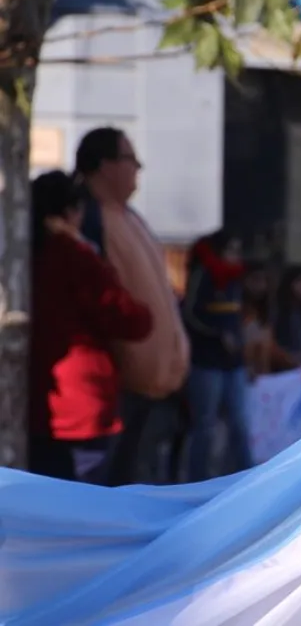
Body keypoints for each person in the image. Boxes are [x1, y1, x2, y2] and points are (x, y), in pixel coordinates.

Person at [74, 127, 190, 485]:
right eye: (130, 160)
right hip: (113, 393)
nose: (138, 169)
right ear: (105, 165)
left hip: (149, 391)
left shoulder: (130, 216)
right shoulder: (87, 218)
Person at [28, 170, 152, 484]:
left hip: (37, 400)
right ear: (71, 212)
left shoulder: (27, 255)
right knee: (84, 508)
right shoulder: (76, 256)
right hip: (80, 402)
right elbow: (127, 317)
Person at [181, 230, 253, 481]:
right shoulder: (204, 275)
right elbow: (190, 314)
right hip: (207, 361)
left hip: (233, 362)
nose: (236, 256)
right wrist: (218, 334)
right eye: (231, 250)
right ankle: (197, 479)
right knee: (205, 425)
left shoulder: (235, 279)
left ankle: (245, 476)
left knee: (239, 422)